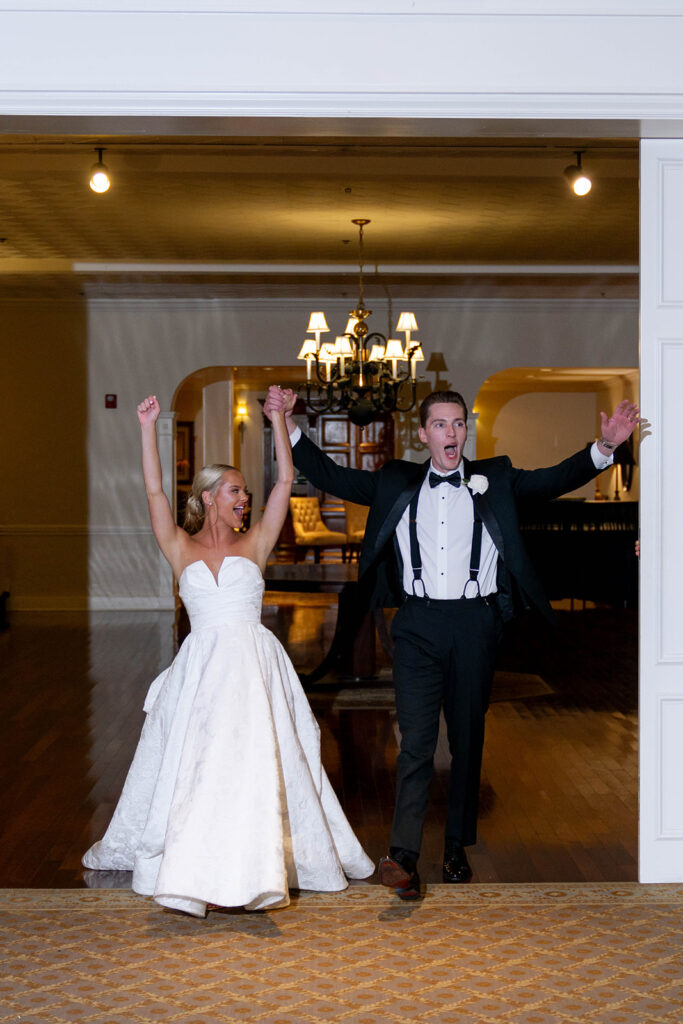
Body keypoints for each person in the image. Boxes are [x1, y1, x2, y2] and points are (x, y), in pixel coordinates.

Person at [264, 386, 641, 900]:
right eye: (440, 424)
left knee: (466, 741)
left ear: (467, 429)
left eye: (458, 424)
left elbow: (554, 480)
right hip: (417, 625)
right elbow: (331, 474)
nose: (451, 433)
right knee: (415, 743)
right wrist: (286, 424)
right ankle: (403, 857)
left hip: (475, 623)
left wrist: (606, 446)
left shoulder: (497, 478)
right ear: (423, 434)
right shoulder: (396, 480)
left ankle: (457, 846)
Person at [83, 394, 373, 916]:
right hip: (201, 672)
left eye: (244, 491)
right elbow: (153, 488)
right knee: (199, 766)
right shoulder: (178, 545)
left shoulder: (258, 541)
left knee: (255, 761)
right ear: (211, 496)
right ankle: (196, 862)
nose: (245, 498)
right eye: (236, 490)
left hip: (253, 669)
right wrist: (147, 428)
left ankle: (258, 860)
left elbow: (286, 482)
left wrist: (279, 420)